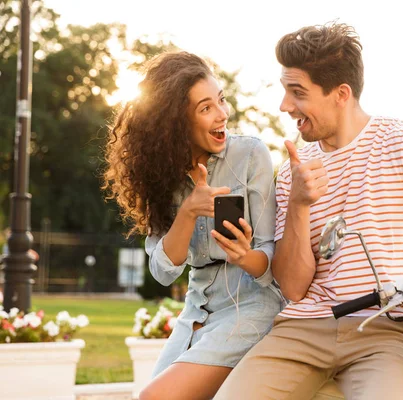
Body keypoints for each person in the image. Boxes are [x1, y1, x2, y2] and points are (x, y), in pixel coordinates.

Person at [215, 22, 403, 400]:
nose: (285, 105)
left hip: (385, 329)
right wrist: (299, 204)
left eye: (297, 92)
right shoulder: (290, 174)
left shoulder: (402, 141)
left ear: (341, 94)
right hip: (301, 331)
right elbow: (295, 287)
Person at [103, 51, 285, 400]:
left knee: (154, 397)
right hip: (196, 309)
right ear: (175, 123)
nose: (222, 114)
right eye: (205, 108)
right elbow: (163, 272)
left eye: (221, 100)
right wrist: (187, 212)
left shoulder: (250, 155)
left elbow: (270, 258)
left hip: (250, 306)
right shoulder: (159, 176)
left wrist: (245, 255)